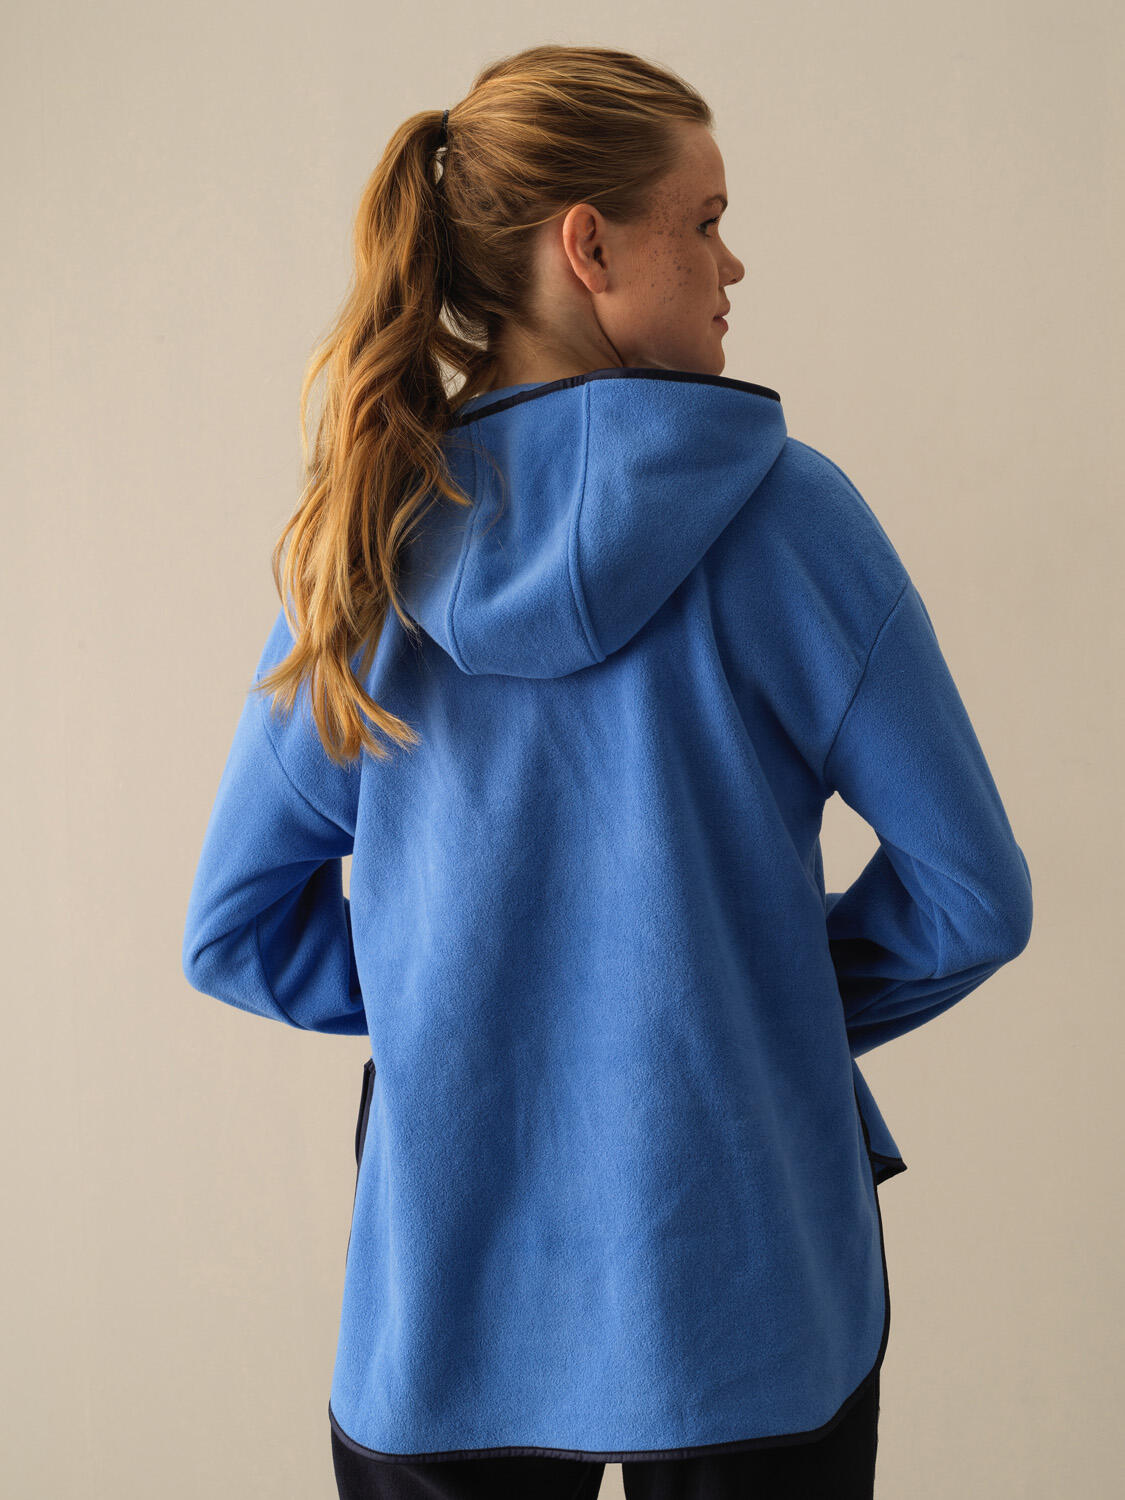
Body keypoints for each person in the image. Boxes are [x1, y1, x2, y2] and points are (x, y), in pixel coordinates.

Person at [181, 43, 1033, 1500]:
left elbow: (235, 931)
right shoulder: (793, 520)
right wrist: (738, 1014)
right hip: (756, 1302)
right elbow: (973, 898)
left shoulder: (371, 543)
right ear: (589, 247)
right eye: (703, 220)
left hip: (447, 1324)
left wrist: (484, 1011)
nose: (732, 263)